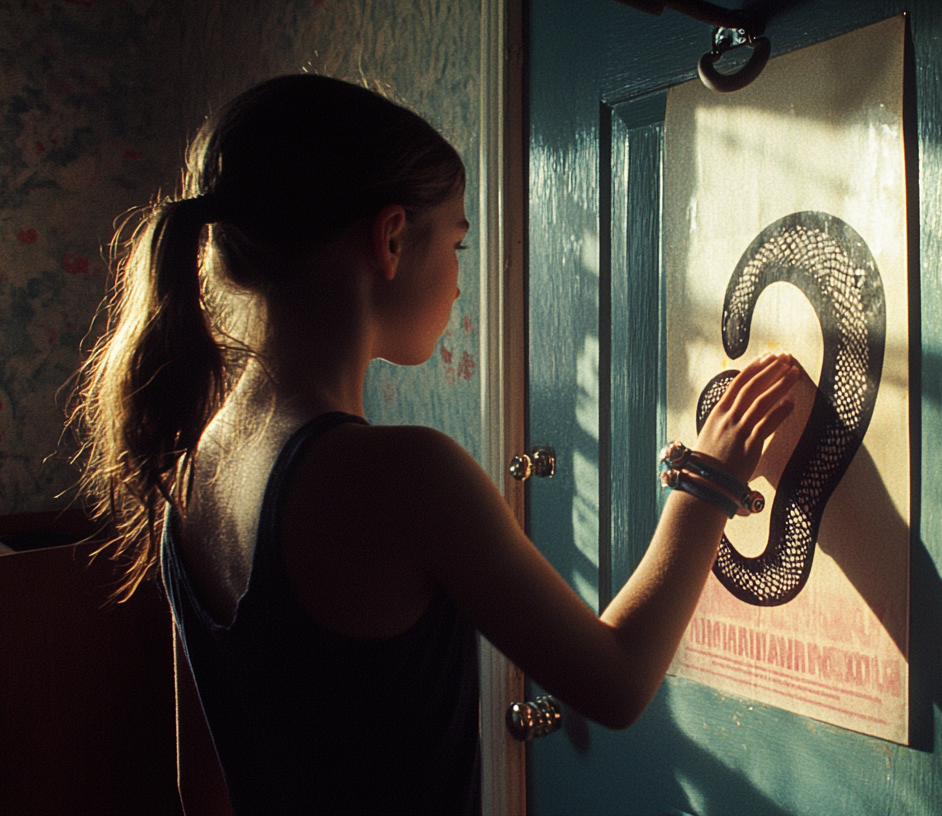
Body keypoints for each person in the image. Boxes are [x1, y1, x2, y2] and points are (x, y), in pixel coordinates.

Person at [71, 74, 799, 815]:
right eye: (456, 241)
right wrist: (708, 478)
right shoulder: (404, 478)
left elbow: (204, 788)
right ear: (390, 239)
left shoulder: (192, 474)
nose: (458, 282)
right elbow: (614, 685)